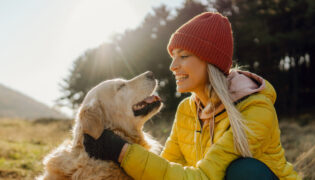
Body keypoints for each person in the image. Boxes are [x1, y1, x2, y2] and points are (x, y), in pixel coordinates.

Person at [83, 12, 300, 180]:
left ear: (210, 62)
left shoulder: (255, 110)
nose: (173, 66)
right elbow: (165, 168)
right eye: (173, 57)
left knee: (244, 171)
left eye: (183, 56)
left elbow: (203, 177)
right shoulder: (186, 109)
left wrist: (123, 152)